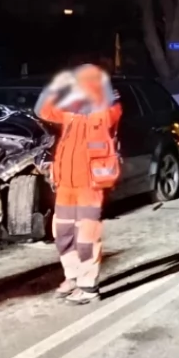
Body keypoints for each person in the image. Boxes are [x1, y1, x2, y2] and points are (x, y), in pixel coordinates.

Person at [36, 64, 122, 305]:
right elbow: (42, 110)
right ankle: (72, 276)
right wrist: (54, 86)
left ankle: (89, 286)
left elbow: (106, 113)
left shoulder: (107, 108)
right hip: (66, 183)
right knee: (62, 232)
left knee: (86, 235)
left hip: (89, 183)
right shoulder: (71, 111)